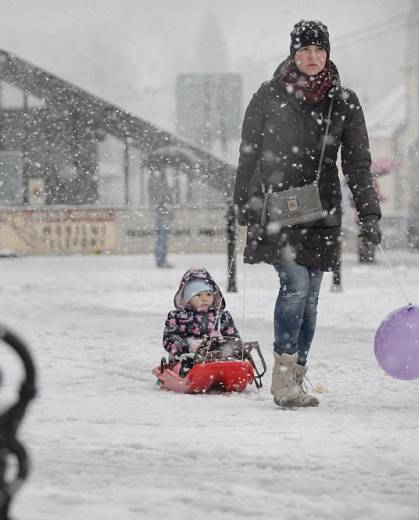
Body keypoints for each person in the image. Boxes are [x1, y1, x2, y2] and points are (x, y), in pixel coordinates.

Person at [232, 20, 382, 408]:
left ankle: (296, 374)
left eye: (319, 50)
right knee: (295, 286)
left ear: (328, 53)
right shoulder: (268, 95)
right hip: (276, 205)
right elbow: (248, 152)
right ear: (293, 54)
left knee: (311, 299)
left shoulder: (343, 101)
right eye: (305, 50)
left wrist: (369, 211)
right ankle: (283, 379)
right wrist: (242, 202)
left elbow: (357, 162)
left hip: (321, 208)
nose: (312, 58)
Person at [162, 268, 240, 372]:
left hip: (218, 358)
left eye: (208, 294)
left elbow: (234, 337)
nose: (204, 299)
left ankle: (231, 372)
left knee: (232, 359)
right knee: (186, 366)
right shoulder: (178, 317)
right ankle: (189, 374)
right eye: (198, 295)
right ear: (187, 298)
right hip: (186, 359)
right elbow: (169, 339)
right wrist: (188, 345)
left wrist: (225, 344)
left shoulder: (222, 317)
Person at [148, 168, 174, 268]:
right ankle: (161, 261)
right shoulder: (159, 184)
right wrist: (163, 212)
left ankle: (161, 260)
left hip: (162, 214)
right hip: (162, 215)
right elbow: (160, 200)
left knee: (162, 239)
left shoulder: (158, 183)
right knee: (162, 239)